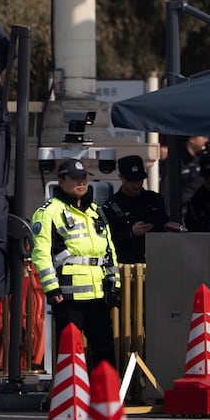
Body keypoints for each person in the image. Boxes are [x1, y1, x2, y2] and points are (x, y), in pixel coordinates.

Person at [30, 157, 119, 369]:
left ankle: (104, 396)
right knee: (70, 350)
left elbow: (109, 250)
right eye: (74, 178)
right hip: (68, 296)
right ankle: (69, 398)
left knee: (104, 348)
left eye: (83, 178)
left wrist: (114, 284)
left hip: (98, 294)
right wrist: (52, 289)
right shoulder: (48, 212)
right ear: (61, 181)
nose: (81, 182)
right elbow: (41, 254)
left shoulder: (95, 211)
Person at [102, 155, 179, 264]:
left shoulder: (154, 199)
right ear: (121, 177)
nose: (136, 184)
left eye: (139, 179)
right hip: (128, 264)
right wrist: (131, 232)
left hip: (157, 259)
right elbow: (107, 240)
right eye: (131, 181)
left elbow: (165, 224)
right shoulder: (112, 206)